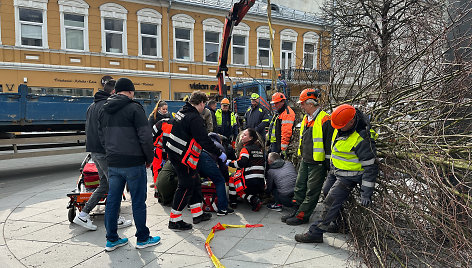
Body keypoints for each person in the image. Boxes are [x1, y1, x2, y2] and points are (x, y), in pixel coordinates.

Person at [295, 104, 378, 243]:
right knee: (326, 192)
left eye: (341, 126)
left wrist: (366, 193)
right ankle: (341, 225)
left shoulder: (362, 138)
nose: (338, 128)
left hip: (350, 175)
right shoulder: (341, 125)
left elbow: (370, 167)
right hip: (336, 170)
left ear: (351, 122)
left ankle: (316, 232)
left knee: (330, 201)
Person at [98, 77, 160, 251]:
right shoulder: (134, 108)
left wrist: (110, 153)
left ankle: (111, 239)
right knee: (138, 201)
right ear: (131, 91)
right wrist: (149, 158)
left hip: (114, 162)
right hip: (133, 162)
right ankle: (142, 238)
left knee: (113, 201)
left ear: (116, 91)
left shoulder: (104, 109)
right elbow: (146, 137)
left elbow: (101, 136)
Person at [73, 79, 132, 231]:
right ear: (113, 92)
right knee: (116, 185)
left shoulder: (92, 106)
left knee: (105, 184)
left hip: (94, 151)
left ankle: (83, 214)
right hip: (105, 151)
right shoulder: (107, 106)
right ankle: (116, 218)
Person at [165, 90, 227, 231]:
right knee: (185, 186)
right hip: (183, 158)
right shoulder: (194, 118)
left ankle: (197, 214)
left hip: (175, 153)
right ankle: (174, 220)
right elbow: (204, 140)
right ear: (201, 103)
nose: (204, 107)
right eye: (204, 104)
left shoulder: (182, 111)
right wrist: (219, 153)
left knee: (195, 182)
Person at [282, 88, 329, 226]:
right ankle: (296, 211)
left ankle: (302, 216)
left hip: (318, 162)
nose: (301, 106)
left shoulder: (324, 119)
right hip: (306, 159)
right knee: (299, 187)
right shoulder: (306, 119)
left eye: (303, 103)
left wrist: (327, 163)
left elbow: (328, 143)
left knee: (312, 190)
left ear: (310, 103)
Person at [227, 128, 265, 211]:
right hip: (261, 182)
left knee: (233, 178)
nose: (241, 137)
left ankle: (234, 201)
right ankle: (253, 198)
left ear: (250, 138)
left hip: (249, 182)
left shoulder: (245, 149)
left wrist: (230, 163)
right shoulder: (259, 150)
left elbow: (241, 163)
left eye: (244, 135)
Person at [196, 132, 234, 216]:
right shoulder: (219, 146)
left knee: (197, 181)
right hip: (206, 159)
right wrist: (226, 179)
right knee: (219, 181)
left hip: (195, 159)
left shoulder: (204, 141)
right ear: (219, 140)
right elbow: (223, 167)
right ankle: (222, 209)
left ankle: (194, 205)